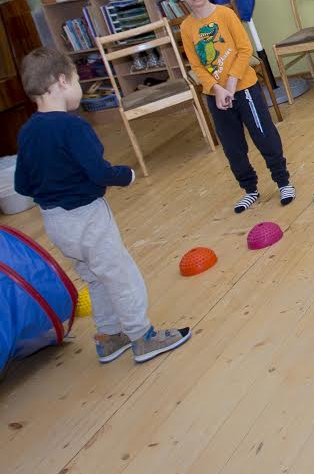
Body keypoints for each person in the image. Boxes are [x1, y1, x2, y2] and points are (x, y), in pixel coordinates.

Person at [14, 48, 192, 364]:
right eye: (76, 80)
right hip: (87, 218)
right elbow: (98, 172)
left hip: (55, 224)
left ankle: (109, 337)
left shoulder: (27, 132)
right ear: (60, 81)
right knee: (120, 275)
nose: (80, 88)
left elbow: (22, 186)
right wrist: (126, 174)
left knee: (95, 278)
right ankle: (142, 336)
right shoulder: (74, 127)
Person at [172, 0, 295, 213]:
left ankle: (283, 182)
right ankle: (250, 190)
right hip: (216, 96)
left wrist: (230, 83)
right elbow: (195, 64)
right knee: (232, 146)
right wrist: (216, 89)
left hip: (244, 89)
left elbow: (244, 49)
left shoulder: (226, 15)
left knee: (264, 136)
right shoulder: (186, 28)